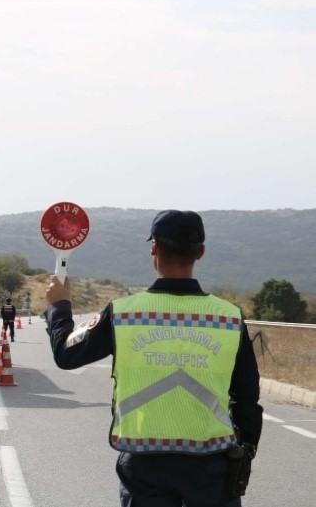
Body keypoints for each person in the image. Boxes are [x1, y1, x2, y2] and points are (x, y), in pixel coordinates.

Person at [44, 210, 262, 507]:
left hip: (145, 466)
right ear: (201, 252)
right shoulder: (229, 317)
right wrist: (245, 449)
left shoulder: (124, 313)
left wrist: (59, 307)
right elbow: (248, 396)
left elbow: (66, 354)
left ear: (154, 248)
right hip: (213, 466)